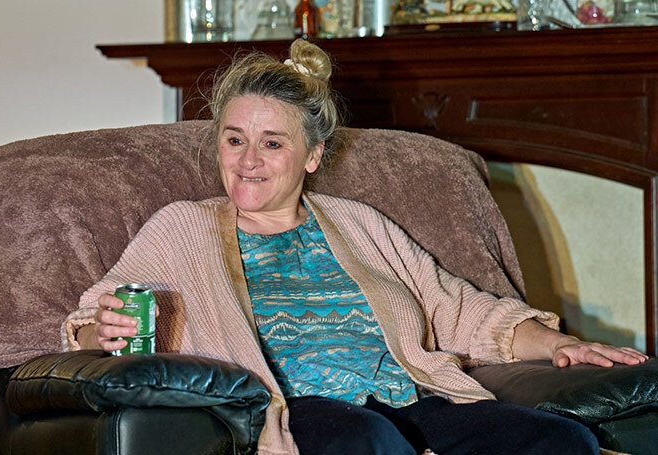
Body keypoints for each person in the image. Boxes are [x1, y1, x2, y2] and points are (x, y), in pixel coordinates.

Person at [65, 39, 648, 455]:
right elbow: (94, 318)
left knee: (557, 440)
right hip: (296, 409)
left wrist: (561, 344)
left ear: (312, 156)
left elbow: (456, 307)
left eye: (272, 143)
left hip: (409, 399)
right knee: (368, 441)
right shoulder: (181, 229)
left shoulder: (359, 223)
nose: (248, 160)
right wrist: (102, 331)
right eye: (234, 138)